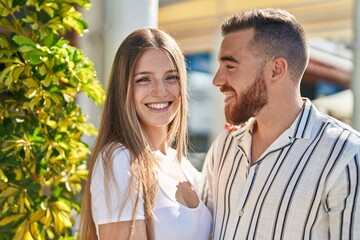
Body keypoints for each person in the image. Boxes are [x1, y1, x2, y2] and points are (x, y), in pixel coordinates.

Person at [201, 8, 360, 240]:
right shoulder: (224, 147)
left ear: (276, 70)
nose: (217, 80)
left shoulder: (345, 156)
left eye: (230, 66)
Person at [78, 28, 212, 240]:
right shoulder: (120, 160)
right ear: (124, 89)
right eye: (144, 79)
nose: (160, 91)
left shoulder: (183, 166)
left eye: (171, 77)